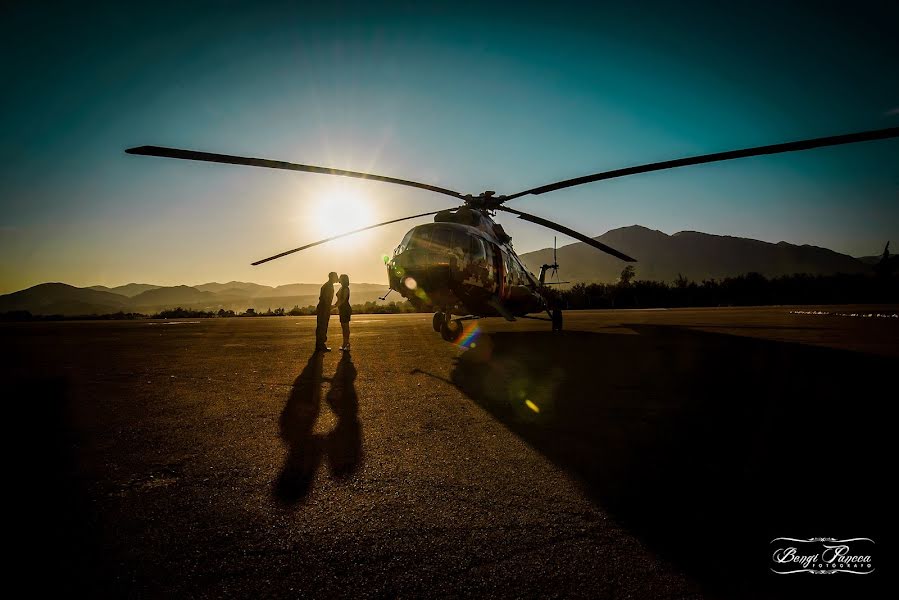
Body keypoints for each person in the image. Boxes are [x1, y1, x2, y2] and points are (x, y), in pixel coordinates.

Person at [315, 272, 338, 351]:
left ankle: (319, 344)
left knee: (321, 326)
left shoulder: (327, 285)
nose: (337, 278)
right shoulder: (329, 286)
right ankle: (321, 345)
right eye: (336, 277)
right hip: (324, 308)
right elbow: (325, 299)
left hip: (322, 307)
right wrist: (329, 307)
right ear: (332, 277)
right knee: (323, 326)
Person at [336, 273, 353, 351]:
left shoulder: (345, 288)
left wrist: (334, 306)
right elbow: (339, 299)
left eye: (340, 278)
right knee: (344, 327)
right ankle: (345, 343)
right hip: (342, 309)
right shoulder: (341, 288)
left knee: (345, 327)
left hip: (345, 309)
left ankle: (346, 344)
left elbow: (343, 300)